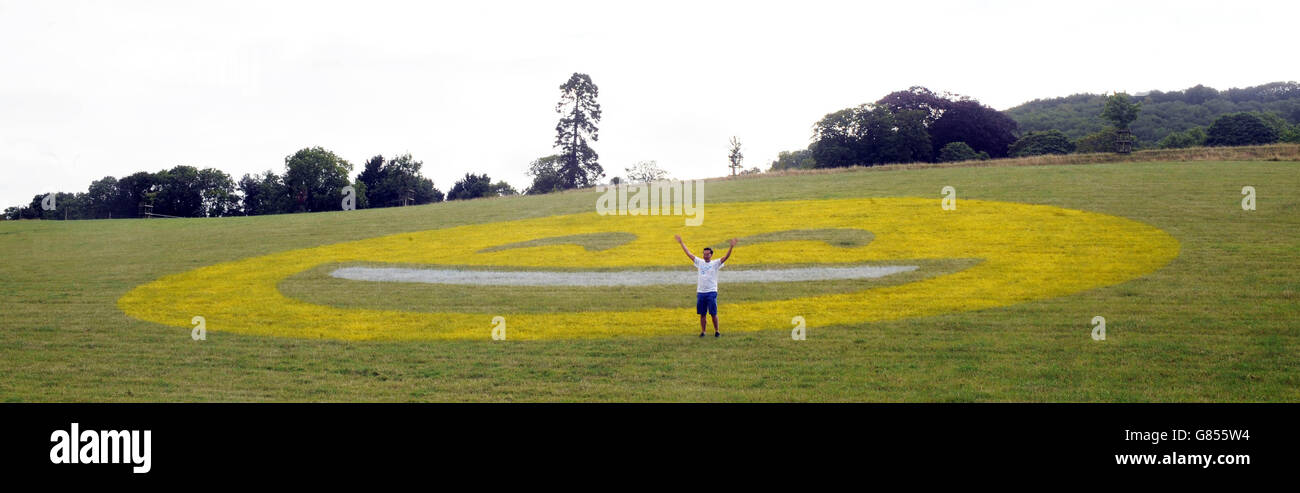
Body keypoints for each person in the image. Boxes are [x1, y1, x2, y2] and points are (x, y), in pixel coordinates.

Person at [674, 235, 736, 338]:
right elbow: (689, 254)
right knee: (702, 314)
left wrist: (731, 247)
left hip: (711, 291)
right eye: (704, 254)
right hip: (701, 292)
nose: (705, 256)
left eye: (707, 254)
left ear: (711, 255)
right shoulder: (699, 262)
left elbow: (726, 257)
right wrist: (681, 243)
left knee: (713, 313)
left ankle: (717, 331)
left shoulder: (715, 263)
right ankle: (703, 332)